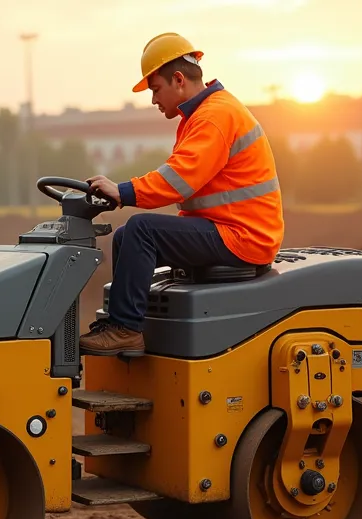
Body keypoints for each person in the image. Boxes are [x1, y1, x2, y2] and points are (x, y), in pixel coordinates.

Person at [79, 33, 285, 357]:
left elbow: (178, 180)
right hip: (229, 228)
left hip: (242, 236)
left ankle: (125, 329)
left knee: (141, 230)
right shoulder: (205, 114)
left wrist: (122, 192)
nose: (153, 100)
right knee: (125, 237)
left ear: (178, 80)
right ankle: (124, 327)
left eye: (156, 89)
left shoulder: (214, 117)